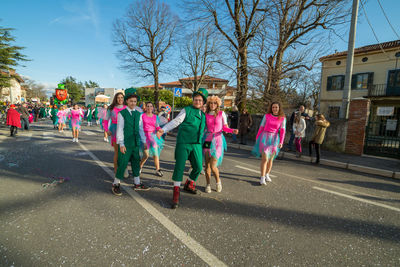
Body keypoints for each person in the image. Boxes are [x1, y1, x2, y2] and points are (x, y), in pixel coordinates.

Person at [156, 88, 208, 209]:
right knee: (179, 168)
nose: (197, 102)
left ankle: (189, 184)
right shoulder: (186, 110)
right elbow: (176, 122)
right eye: (196, 99)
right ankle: (176, 192)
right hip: (183, 143)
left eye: (200, 100)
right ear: (193, 100)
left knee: (198, 167)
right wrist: (163, 129)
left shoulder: (203, 115)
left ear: (203, 102)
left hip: (196, 144)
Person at [111, 89, 149, 196]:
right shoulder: (122, 113)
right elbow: (119, 129)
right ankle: (116, 184)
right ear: (126, 101)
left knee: (136, 163)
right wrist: (121, 144)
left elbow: (141, 128)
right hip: (126, 143)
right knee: (122, 163)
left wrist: (144, 141)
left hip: (135, 143)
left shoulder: (138, 114)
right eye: (131, 101)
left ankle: (137, 183)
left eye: (135, 101)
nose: (133, 103)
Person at [203, 96, 238, 193]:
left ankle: (218, 182)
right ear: (208, 104)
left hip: (218, 140)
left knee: (213, 166)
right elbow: (203, 128)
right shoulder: (205, 115)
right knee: (207, 166)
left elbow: (225, 128)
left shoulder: (222, 114)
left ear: (217, 104)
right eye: (211, 103)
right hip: (207, 140)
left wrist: (232, 130)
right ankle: (208, 184)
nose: (213, 105)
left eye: (215, 103)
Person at [252, 101, 286, 185]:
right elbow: (261, 127)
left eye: (276, 107)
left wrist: (281, 142)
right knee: (265, 159)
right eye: (273, 107)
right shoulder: (266, 116)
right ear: (271, 108)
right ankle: (262, 177)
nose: (274, 109)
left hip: (274, 139)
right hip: (265, 138)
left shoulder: (282, 118)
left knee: (271, 159)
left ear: (279, 108)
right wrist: (257, 137)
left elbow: (282, 131)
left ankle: (267, 174)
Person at [139, 102, 165, 177]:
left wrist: (160, 130)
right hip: (144, 136)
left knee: (155, 154)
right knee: (146, 155)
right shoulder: (142, 116)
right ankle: (140, 166)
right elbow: (140, 127)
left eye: (151, 106)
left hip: (153, 137)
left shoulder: (155, 117)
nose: (149, 108)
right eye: (148, 106)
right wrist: (143, 140)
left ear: (153, 108)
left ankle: (158, 169)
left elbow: (157, 126)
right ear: (145, 108)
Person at [107, 92, 128, 176]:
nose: (120, 99)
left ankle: (124, 167)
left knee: (125, 151)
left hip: (125, 130)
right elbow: (105, 120)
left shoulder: (127, 108)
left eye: (122, 97)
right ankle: (116, 169)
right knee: (117, 152)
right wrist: (107, 130)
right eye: (118, 97)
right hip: (115, 130)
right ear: (116, 98)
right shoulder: (111, 108)